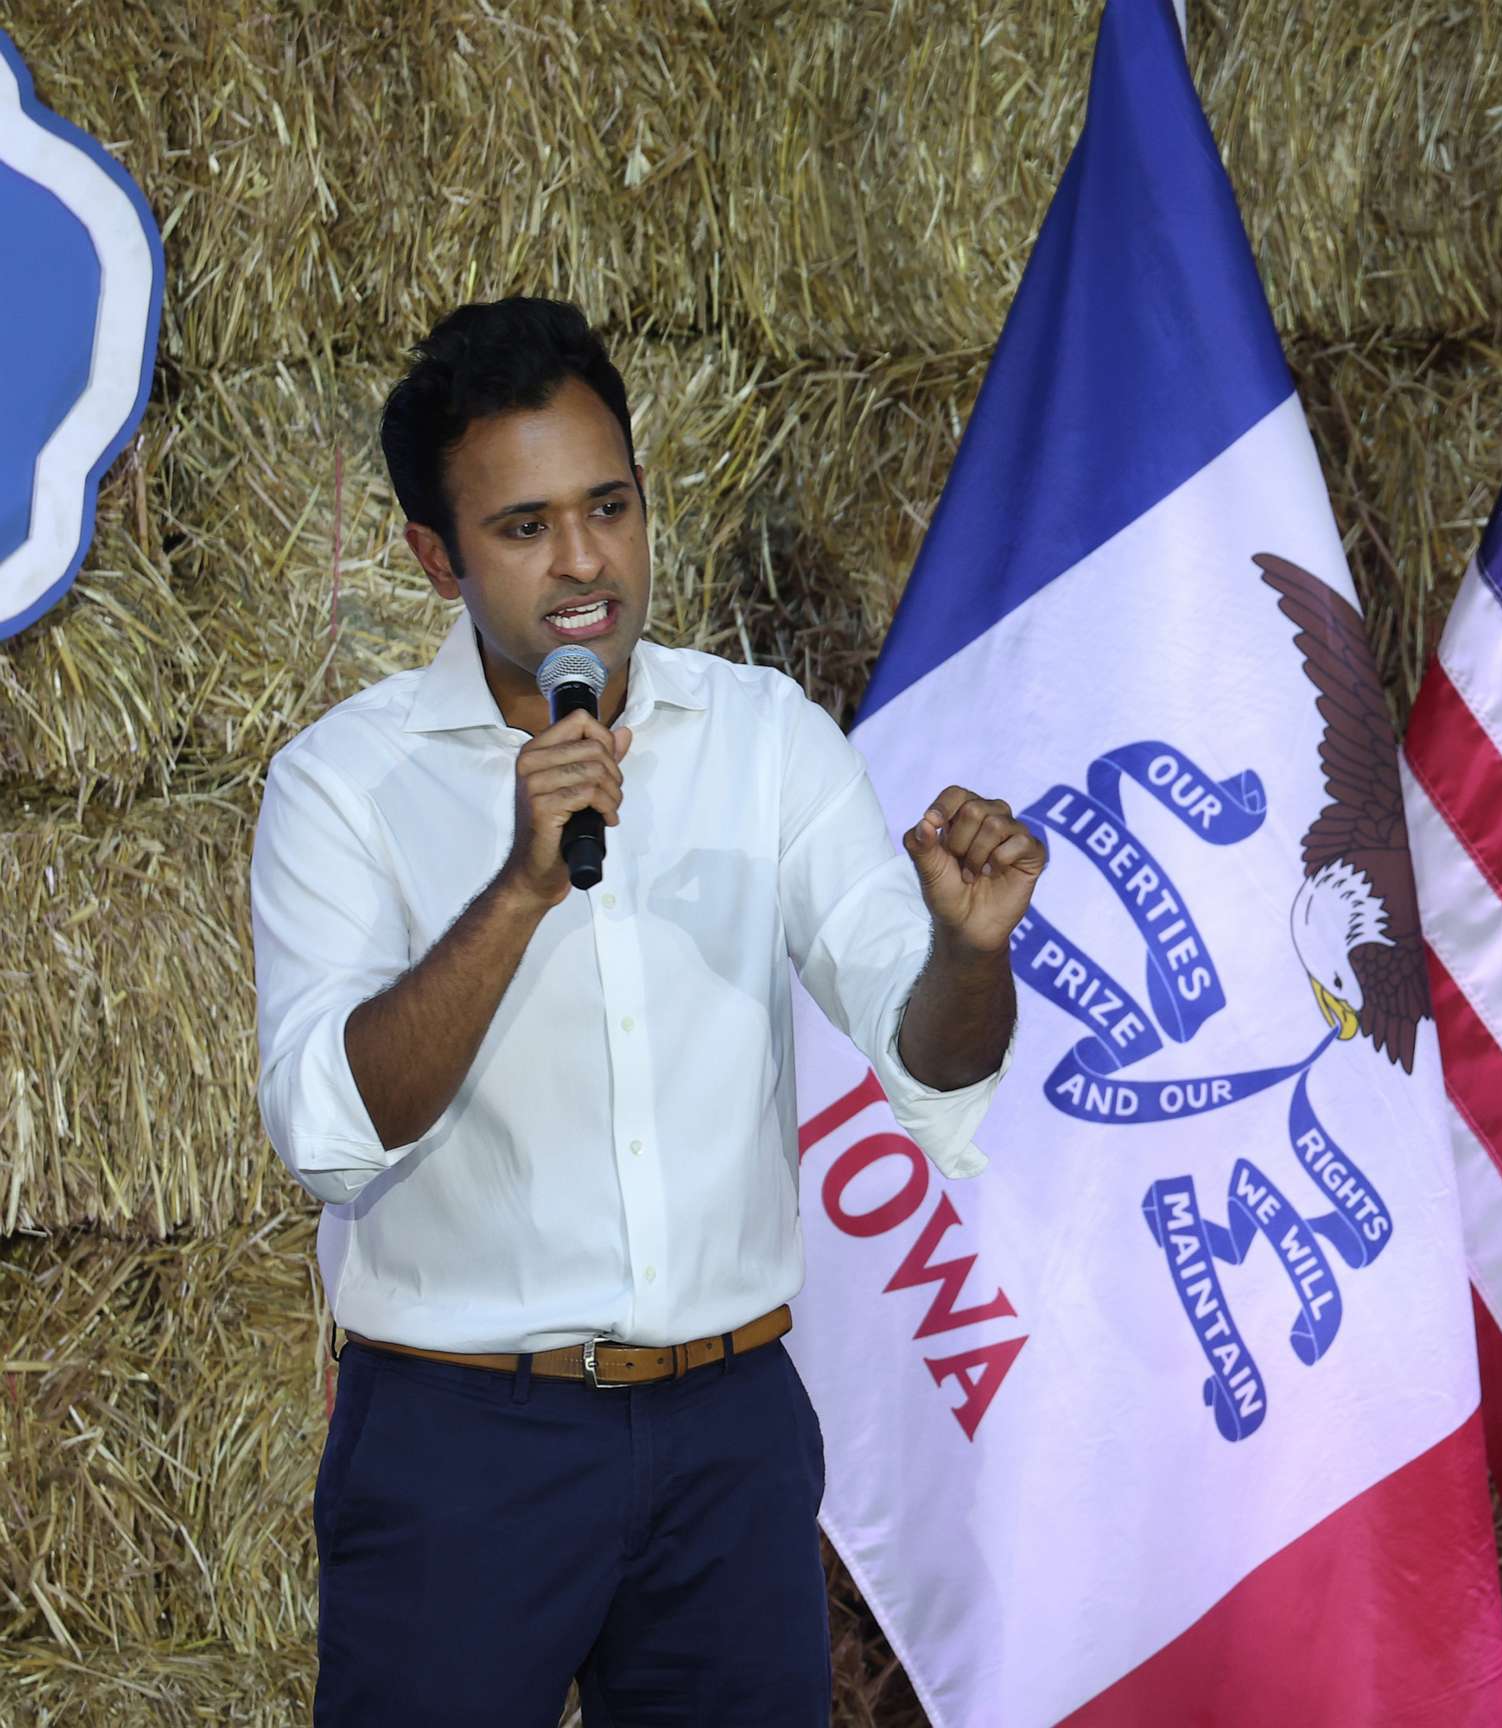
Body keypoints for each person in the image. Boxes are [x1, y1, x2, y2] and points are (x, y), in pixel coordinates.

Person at [248, 296, 1042, 1725]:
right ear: (435, 555)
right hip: (459, 1445)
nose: (582, 565)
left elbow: (926, 1055)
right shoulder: (339, 787)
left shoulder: (766, 739)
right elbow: (326, 1132)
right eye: (524, 526)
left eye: (608, 506)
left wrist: (968, 953)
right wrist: (518, 892)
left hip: (724, 1433)